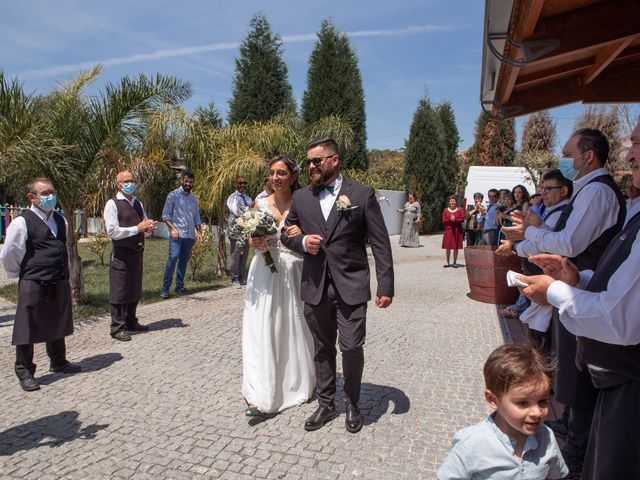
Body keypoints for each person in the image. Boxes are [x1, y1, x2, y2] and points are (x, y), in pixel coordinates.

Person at [517, 120, 640, 479]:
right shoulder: (590, 190)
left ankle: (575, 447)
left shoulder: (598, 192)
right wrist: (577, 278)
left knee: (578, 377)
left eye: (568, 155)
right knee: (573, 372)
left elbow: (619, 313)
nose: (629, 154)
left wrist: (555, 288)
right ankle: (575, 437)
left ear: (587, 156)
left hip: (622, 365)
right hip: (581, 296)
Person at [281, 137, 394, 434]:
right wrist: (303, 241)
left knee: (352, 345)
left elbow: (381, 243)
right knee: (321, 347)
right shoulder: (302, 197)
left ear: (334, 160)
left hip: (351, 284)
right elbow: (286, 234)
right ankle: (327, 403)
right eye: (307, 162)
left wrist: (386, 285)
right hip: (315, 284)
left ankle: (353, 402)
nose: (310, 166)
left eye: (316, 161)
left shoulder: (362, 194)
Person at [242, 155, 315, 416]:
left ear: (293, 176)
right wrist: (256, 242)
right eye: (272, 173)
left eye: (281, 173)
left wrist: (302, 235)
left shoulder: (305, 202)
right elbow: (249, 238)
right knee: (262, 325)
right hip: (264, 270)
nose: (275, 178)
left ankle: (296, 381)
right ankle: (262, 386)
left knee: (293, 324)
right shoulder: (259, 203)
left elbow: (315, 234)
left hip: (294, 269)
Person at [437, 344, 568, 480]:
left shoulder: (546, 437)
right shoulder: (471, 444)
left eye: (542, 401)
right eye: (522, 403)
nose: (536, 412)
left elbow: (554, 475)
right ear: (493, 400)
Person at [0, 178, 81, 391]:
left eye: (52, 191)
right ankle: (25, 371)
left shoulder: (59, 220)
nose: (50, 196)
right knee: (28, 326)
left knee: (57, 320)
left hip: (58, 278)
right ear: (32, 197)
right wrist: (22, 272)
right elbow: (10, 253)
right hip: (34, 280)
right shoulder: (22, 222)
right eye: (45, 193)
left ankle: (58, 361)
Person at [104, 170, 156, 342]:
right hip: (121, 253)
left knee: (134, 287)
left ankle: (131, 320)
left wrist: (148, 229)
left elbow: (143, 224)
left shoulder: (138, 203)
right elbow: (112, 231)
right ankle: (117, 327)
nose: (130, 183)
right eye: (126, 181)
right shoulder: (112, 204)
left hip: (137, 251)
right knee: (119, 290)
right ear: (118, 184)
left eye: (132, 180)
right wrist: (138, 229)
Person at [160, 170, 202, 299]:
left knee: (183, 261)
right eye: (186, 181)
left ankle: (179, 286)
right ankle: (165, 288)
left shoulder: (194, 199)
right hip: (177, 234)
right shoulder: (173, 195)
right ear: (182, 181)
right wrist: (173, 229)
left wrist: (199, 232)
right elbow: (165, 215)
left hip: (189, 235)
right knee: (173, 258)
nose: (188, 183)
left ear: (193, 183)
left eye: (190, 182)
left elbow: (196, 218)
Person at [227, 176, 253, 288]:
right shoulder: (232, 198)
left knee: (245, 254)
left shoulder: (248, 198)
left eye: (244, 183)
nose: (242, 185)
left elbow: (253, 212)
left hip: (246, 231)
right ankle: (234, 278)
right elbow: (237, 212)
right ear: (235, 184)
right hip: (235, 230)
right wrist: (249, 210)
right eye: (240, 183)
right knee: (236, 254)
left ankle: (243, 277)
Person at [441, 195, 464, 268]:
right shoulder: (445, 210)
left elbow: (462, 219)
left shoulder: (460, 210)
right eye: (451, 201)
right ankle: (447, 262)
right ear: (449, 202)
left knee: (455, 247)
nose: (452, 202)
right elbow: (443, 221)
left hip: (457, 231)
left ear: (456, 202)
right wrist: (450, 219)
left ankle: (454, 262)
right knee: (448, 247)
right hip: (448, 231)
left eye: (453, 201)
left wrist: (455, 220)